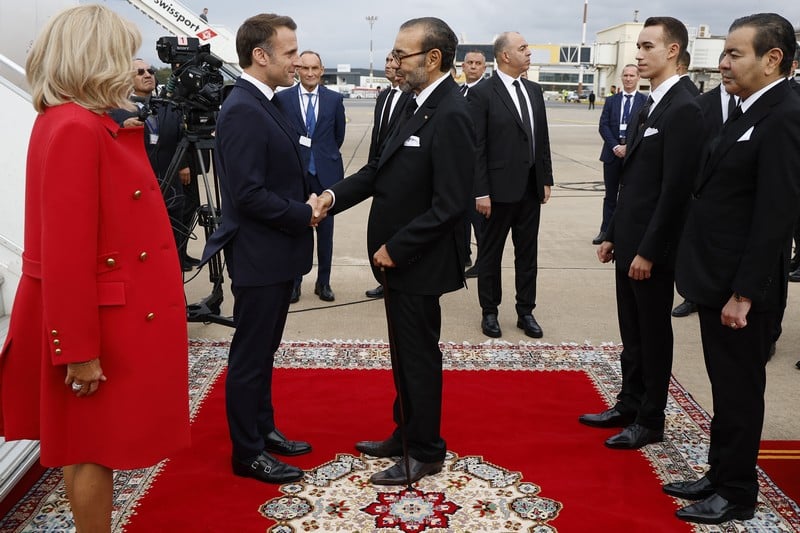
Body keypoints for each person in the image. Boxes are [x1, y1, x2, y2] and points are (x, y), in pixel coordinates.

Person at [0, 5, 191, 531]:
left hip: (104, 313)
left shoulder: (71, 121)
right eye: (122, 53)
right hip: (98, 322)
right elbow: (64, 252)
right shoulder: (77, 128)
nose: (132, 65)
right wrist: (77, 351)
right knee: (90, 450)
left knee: (87, 446)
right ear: (95, 58)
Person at [315, 16, 475, 485]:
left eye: (402, 54)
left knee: (418, 353)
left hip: (417, 259)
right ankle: (405, 431)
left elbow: (450, 205)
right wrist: (331, 197)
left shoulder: (452, 113)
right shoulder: (412, 103)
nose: (395, 62)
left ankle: (425, 449)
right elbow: (377, 171)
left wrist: (396, 248)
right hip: (396, 258)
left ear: (432, 58)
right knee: (404, 352)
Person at [666, 13, 800, 524]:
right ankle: (719, 472)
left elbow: (776, 216)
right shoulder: (747, 108)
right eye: (723, 53)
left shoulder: (786, 114)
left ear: (773, 60)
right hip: (715, 277)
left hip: (742, 288)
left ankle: (738, 492)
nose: (723, 63)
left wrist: (744, 293)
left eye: (734, 54)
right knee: (724, 384)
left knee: (741, 391)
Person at [200, 13, 318, 484]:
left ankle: (262, 427)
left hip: (278, 251)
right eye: (289, 53)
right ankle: (246, 453)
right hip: (259, 253)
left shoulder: (269, 101)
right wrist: (302, 213)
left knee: (265, 351)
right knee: (250, 357)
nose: (296, 61)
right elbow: (246, 194)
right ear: (260, 55)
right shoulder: (244, 108)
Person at [578, 16, 705, 450]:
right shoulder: (652, 102)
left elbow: (675, 191)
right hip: (629, 239)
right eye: (638, 46)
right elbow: (631, 181)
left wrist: (649, 251)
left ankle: (651, 419)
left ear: (673, 50)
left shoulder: (686, 107)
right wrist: (612, 232)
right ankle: (629, 402)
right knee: (631, 330)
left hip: (652, 248)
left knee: (652, 333)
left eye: (648, 46)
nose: (638, 54)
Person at [468, 31, 554, 339]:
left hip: (530, 188)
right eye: (523, 48)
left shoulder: (534, 90)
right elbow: (476, 147)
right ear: (505, 56)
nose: (529, 52)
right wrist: (481, 191)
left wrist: (545, 179)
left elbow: (541, 138)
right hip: (496, 192)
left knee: (527, 254)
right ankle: (489, 312)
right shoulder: (483, 93)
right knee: (491, 255)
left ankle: (525, 311)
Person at [109, 59, 194, 270]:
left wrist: (183, 165)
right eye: (140, 72)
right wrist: (121, 127)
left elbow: (179, 136)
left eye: (150, 70)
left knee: (174, 243)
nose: (147, 75)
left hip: (171, 188)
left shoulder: (168, 106)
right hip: (138, 194)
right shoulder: (114, 110)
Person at [276, 50, 346, 303]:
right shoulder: (282, 99)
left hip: (326, 174)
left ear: (322, 70)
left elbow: (338, 136)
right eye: (305, 68)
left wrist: (323, 157)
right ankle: (295, 283)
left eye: (314, 68)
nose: (310, 73)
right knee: (296, 229)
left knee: (326, 232)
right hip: (296, 174)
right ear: (297, 70)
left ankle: (323, 283)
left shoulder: (334, 99)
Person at [364, 52, 413, 300]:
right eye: (386, 61)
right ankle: (384, 280)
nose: (388, 65)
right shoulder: (383, 97)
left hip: (398, 177)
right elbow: (377, 135)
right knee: (381, 230)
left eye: (392, 61)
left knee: (397, 230)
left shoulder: (411, 98)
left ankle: (397, 279)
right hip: (379, 172)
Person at [593, 64, 646, 245]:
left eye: (632, 75)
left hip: (632, 157)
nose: (628, 79)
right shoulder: (611, 101)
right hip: (612, 154)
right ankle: (605, 230)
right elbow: (603, 125)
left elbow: (644, 129)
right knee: (610, 195)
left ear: (638, 78)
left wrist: (628, 148)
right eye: (625, 75)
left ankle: (626, 232)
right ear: (621, 78)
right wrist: (615, 146)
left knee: (630, 196)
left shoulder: (645, 101)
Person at [459, 49, 487, 278]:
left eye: (478, 63)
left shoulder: (487, 94)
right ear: (463, 66)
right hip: (458, 169)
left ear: (484, 68)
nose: (473, 67)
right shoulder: (459, 91)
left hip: (477, 169)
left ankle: (483, 261)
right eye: (470, 63)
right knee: (460, 217)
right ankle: (463, 254)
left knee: (479, 222)